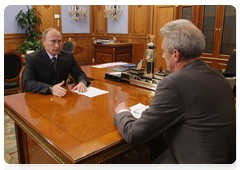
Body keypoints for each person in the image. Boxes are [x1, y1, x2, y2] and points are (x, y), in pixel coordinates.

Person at [114, 19, 238, 170]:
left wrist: (123, 112)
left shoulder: (174, 83)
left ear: (176, 55)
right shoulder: (220, 77)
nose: (162, 55)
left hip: (196, 164)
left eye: (164, 51)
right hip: (225, 161)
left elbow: (133, 135)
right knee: (158, 152)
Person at [23, 28, 90, 97]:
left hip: (63, 96)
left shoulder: (68, 56)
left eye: (59, 41)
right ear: (43, 42)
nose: (57, 46)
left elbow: (79, 73)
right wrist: (51, 88)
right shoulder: (33, 58)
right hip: (42, 97)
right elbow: (28, 83)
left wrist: (82, 82)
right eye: (53, 41)